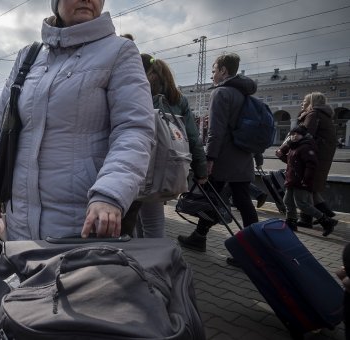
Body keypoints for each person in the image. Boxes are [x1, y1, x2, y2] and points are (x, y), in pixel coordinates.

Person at [0, 0, 155, 241]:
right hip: (19, 216)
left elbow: (134, 130)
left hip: (83, 219)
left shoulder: (119, 51)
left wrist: (110, 193)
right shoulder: (28, 56)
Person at [178, 53, 259, 253]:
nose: (212, 75)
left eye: (214, 71)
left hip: (224, 158)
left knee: (209, 198)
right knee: (239, 200)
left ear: (223, 71)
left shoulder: (221, 93)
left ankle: (252, 250)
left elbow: (216, 131)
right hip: (242, 157)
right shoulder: (244, 93)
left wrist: (210, 159)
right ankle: (201, 237)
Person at [130, 54, 207, 238]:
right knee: (151, 219)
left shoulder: (137, 92)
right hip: (164, 167)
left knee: (138, 220)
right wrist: (201, 170)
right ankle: (150, 259)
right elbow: (193, 137)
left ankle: (152, 261)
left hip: (136, 163)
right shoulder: (177, 99)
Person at [277, 92, 337, 228]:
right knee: (310, 188)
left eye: (304, 100)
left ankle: (325, 218)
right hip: (320, 156)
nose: (302, 103)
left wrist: (283, 149)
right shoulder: (323, 115)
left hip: (311, 156)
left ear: (312, 102)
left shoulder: (313, 114)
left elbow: (302, 133)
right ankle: (313, 218)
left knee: (305, 189)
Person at [279, 125, 336, 236]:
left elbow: (311, 165)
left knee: (302, 204)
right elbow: (292, 163)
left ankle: (327, 221)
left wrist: (306, 180)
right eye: (292, 134)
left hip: (301, 181)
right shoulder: (294, 146)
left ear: (303, 135)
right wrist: (281, 156)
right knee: (288, 202)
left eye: (297, 134)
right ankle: (291, 223)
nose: (294, 136)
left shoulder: (306, 147)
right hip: (292, 180)